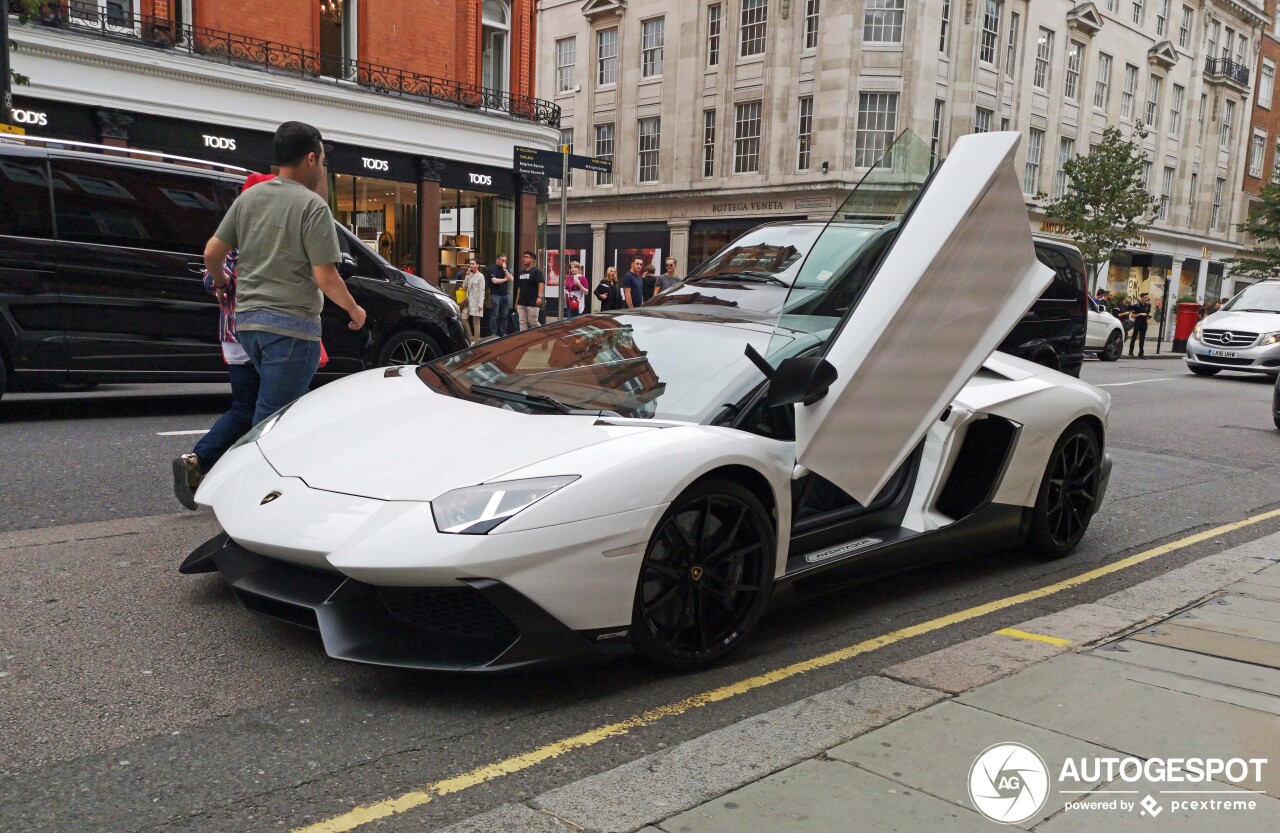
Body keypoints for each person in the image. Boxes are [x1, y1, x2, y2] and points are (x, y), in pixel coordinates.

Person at [203, 121, 366, 426]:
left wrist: (221, 284)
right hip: (291, 327)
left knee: (275, 413)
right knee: (272, 421)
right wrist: (354, 309)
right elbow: (326, 278)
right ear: (311, 158)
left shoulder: (250, 197)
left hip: (248, 324)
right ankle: (250, 472)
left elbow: (212, 252)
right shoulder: (312, 206)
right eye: (322, 159)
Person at [172, 173, 276, 510]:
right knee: (274, 411)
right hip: (261, 333)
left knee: (245, 408)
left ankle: (200, 462)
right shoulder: (264, 236)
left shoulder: (232, 234)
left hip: (232, 336)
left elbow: (210, 273)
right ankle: (246, 480)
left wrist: (220, 284)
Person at [515, 250, 545, 331]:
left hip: (532, 302)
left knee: (533, 322)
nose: (524, 259)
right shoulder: (521, 272)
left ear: (532, 259)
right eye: (524, 257)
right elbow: (519, 288)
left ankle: (543, 333)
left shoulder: (536, 272)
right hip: (521, 302)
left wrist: (539, 297)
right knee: (522, 322)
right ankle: (524, 340)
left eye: (527, 257)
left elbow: (541, 284)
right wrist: (516, 302)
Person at [487, 254, 512, 336]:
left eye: (505, 260)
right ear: (497, 260)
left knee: (504, 315)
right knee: (495, 315)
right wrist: (505, 279)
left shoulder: (505, 269)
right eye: (502, 260)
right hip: (495, 294)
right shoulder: (492, 268)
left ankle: (503, 332)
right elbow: (494, 281)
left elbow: (511, 279)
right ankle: (493, 333)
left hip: (505, 294)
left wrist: (505, 270)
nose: (504, 262)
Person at [462, 258, 486, 342]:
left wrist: (480, 304)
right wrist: (467, 276)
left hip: (476, 301)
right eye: (470, 264)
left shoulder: (481, 276)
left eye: (473, 264)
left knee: (476, 321)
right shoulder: (470, 275)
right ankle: (470, 337)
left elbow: (482, 290)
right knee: (463, 318)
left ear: (478, 265)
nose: (471, 265)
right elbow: (464, 286)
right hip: (468, 301)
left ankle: (477, 340)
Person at [1128, 292, 1152, 357]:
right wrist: (1140, 314)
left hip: (1144, 323)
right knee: (1134, 337)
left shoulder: (1148, 305)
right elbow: (1133, 316)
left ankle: (1141, 353)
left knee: (1142, 338)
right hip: (1138, 322)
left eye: (1147, 297)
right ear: (1141, 298)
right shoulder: (1136, 305)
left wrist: (1149, 315)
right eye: (1145, 297)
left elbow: (1148, 313)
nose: (1146, 298)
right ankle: (1131, 351)